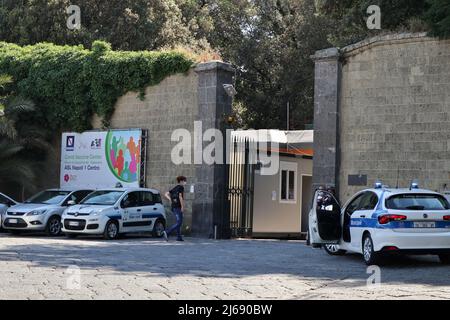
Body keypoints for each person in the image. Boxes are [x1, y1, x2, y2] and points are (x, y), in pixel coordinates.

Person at [162, 176, 187, 241]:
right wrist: (182, 206)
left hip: (173, 207)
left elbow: (166, 194)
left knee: (178, 221)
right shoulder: (181, 187)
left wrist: (171, 199)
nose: (185, 182)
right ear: (181, 181)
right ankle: (167, 232)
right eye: (184, 181)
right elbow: (180, 197)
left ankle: (179, 237)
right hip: (178, 207)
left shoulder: (175, 188)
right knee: (179, 222)